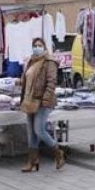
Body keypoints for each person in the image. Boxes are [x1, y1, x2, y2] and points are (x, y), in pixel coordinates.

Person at [19, 38, 63, 172]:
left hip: (43, 102)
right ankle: (32, 161)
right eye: (34, 45)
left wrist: (46, 98)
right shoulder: (31, 61)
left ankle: (58, 152)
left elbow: (51, 82)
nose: (37, 48)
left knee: (39, 129)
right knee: (31, 133)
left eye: (39, 45)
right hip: (30, 100)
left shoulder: (49, 62)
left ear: (44, 47)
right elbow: (26, 81)